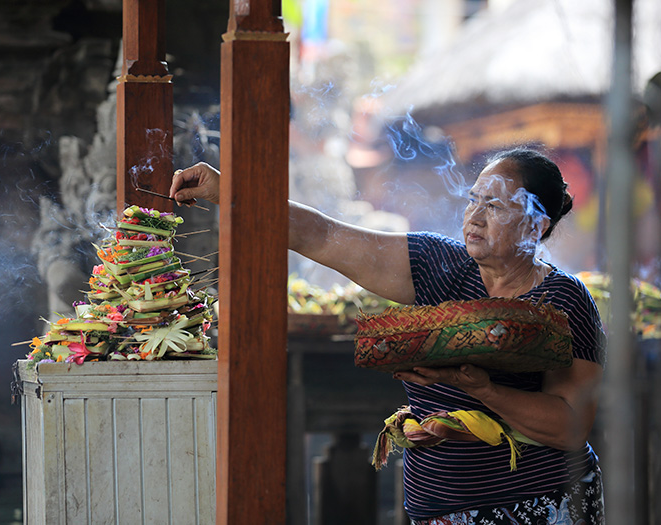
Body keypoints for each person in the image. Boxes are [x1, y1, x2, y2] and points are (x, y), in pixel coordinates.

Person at [170, 147, 606, 524]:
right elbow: (321, 234)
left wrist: (485, 391)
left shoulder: (564, 300)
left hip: (539, 505)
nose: (473, 217)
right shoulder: (440, 265)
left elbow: (571, 425)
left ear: (535, 224)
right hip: (436, 508)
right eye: (473, 200)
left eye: (493, 207)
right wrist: (225, 189)